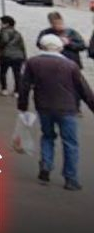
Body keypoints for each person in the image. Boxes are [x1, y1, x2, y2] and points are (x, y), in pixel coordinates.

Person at [18, 34, 94, 190]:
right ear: (60, 47)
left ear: (42, 46)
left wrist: (22, 105)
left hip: (43, 106)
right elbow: (83, 88)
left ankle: (46, 166)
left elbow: (24, 86)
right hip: (67, 108)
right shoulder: (70, 65)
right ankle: (70, 178)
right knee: (70, 143)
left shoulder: (33, 62)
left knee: (47, 136)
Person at [0, 16, 27, 97]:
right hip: (18, 56)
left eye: (1, 22)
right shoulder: (17, 33)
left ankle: (4, 89)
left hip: (6, 55)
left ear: (7, 24)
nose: (0, 24)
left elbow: (4, 41)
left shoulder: (3, 31)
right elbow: (22, 46)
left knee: (3, 72)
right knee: (17, 74)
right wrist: (24, 57)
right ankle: (17, 91)